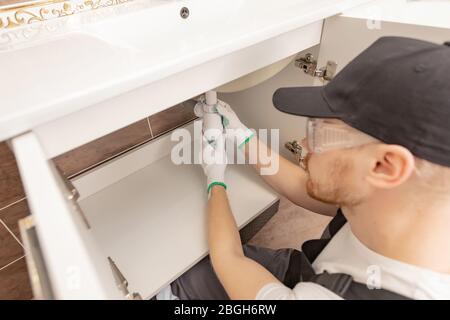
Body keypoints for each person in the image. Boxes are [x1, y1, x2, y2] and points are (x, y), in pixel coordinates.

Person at [157, 36, 450, 300]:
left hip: (309, 286)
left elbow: (230, 258)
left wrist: (215, 179)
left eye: (320, 134)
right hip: (310, 269)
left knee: (179, 283)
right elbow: (307, 189)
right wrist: (240, 134)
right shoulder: (414, 203)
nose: (303, 144)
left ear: (384, 165)